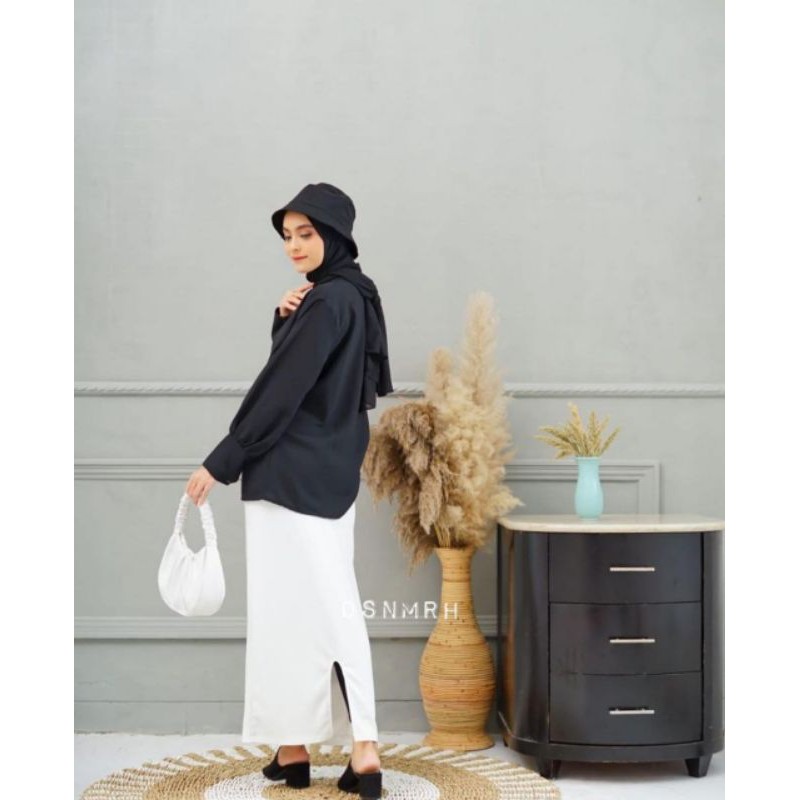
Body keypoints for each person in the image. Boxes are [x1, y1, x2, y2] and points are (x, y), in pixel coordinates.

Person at [184, 182, 393, 797]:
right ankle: (296, 747)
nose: (294, 246)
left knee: (301, 611)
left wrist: (223, 460)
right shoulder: (355, 293)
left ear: (335, 235)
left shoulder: (327, 301)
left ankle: (361, 747)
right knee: (314, 607)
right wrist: (285, 322)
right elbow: (328, 382)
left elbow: (283, 391)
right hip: (329, 472)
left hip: (287, 473)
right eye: (286, 236)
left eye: (306, 233)